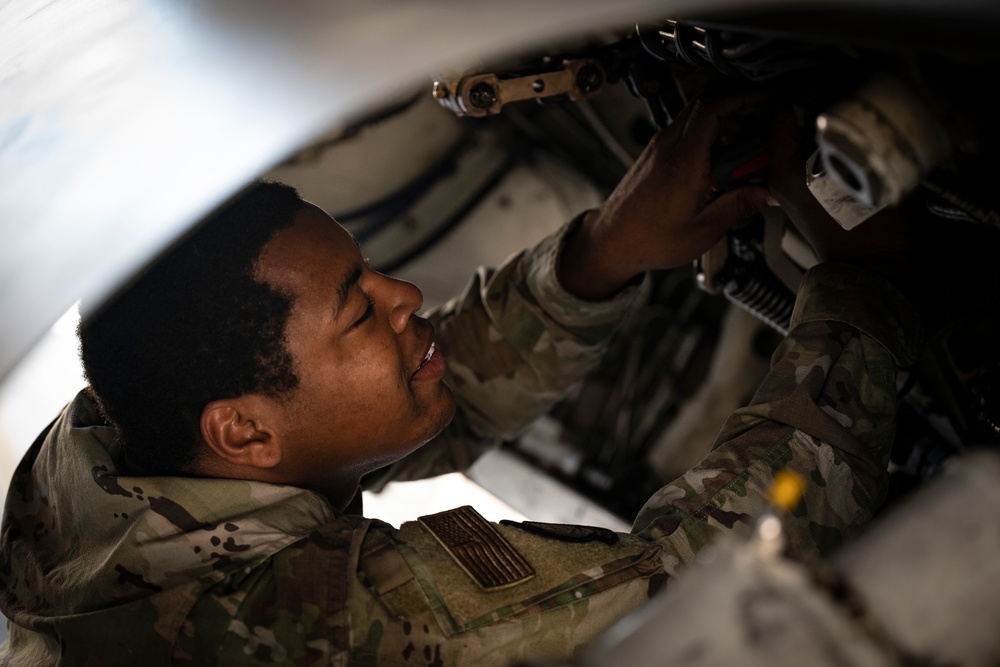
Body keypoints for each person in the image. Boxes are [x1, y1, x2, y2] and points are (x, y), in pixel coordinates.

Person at [0, 92, 924, 666]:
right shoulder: (332, 629)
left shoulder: (105, 446)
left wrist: (602, 251)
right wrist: (861, 291)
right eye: (360, 310)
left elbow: (394, 409)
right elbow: (704, 581)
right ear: (243, 434)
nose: (405, 294)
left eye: (368, 271)